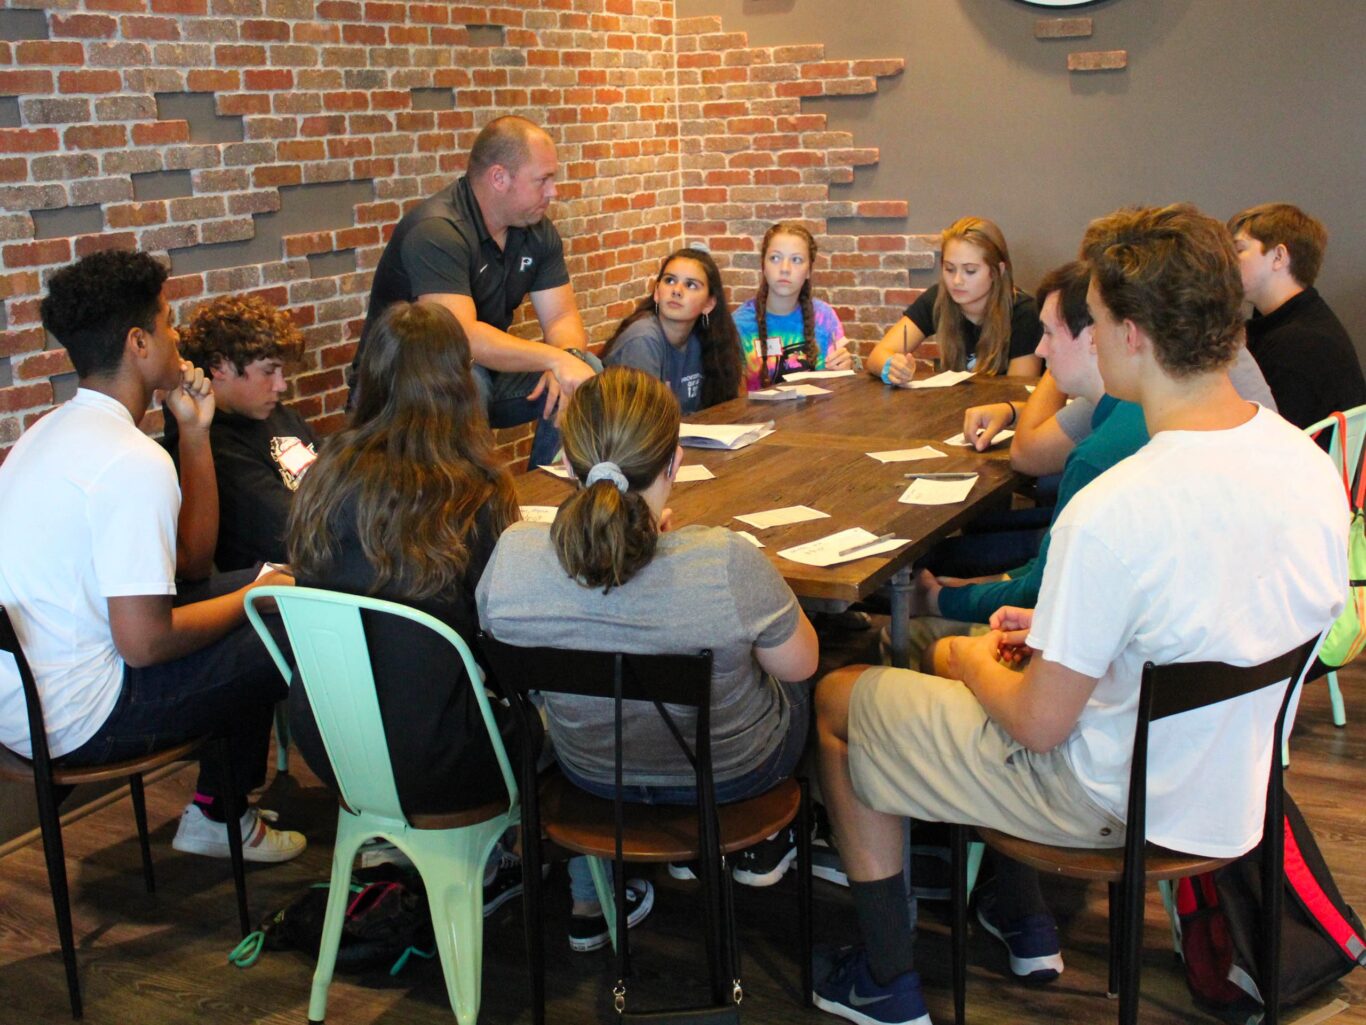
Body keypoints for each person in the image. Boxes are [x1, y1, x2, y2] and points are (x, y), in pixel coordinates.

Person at [811, 204, 1345, 1025]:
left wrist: (963, 657)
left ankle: (887, 975)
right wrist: (1058, 637)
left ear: (1132, 334)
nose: (1084, 343)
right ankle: (1009, 910)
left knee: (845, 697)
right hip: (1233, 782)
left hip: (1111, 796)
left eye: (1091, 322)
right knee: (996, 650)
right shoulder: (1305, 464)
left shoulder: (1118, 505)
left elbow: (1037, 723)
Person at [477, 367, 819, 946]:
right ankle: (773, 842)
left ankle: (596, 881)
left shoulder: (510, 559)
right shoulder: (725, 562)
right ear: (675, 462)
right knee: (812, 669)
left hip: (590, 775)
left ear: (565, 462)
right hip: (731, 778)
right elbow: (801, 666)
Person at [0, 250, 305, 863]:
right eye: (168, 325)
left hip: (20, 705)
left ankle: (220, 808)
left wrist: (194, 433)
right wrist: (256, 599)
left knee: (253, 585)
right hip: (81, 718)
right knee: (293, 621)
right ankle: (222, 816)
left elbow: (191, 566)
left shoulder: (47, 432)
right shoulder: (129, 461)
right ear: (138, 342)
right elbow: (143, 643)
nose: (177, 338)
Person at [287, 300, 534, 912]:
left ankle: (403, 847)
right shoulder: (474, 490)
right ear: (460, 382)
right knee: (556, 718)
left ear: (369, 375)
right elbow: (502, 641)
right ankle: (514, 869)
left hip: (331, 746)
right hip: (440, 762)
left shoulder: (323, 476)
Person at [904, 261, 1150, 671]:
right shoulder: (1139, 409)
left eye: (1050, 333)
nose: (1039, 348)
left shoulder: (1095, 456)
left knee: (897, 643)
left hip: (1086, 665)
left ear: (1095, 336)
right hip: (1118, 643)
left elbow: (1040, 590)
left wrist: (939, 599)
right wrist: (971, 587)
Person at [355, 115, 598, 467]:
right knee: (469, 379)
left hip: (479, 372)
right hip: (406, 384)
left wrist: (566, 357)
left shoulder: (536, 230)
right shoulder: (438, 229)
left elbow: (561, 316)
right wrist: (554, 358)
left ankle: (551, 502)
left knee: (583, 368)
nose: (553, 191)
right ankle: (471, 513)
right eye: (543, 180)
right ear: (499, 178)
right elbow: (462, 338)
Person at [166, 293, 317, 572]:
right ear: (219, 367)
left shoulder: (279, 415)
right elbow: (295, 535)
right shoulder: (217, 449)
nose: (281, 385)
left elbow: (338, 481)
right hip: (289, 595)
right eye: (269, 372)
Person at [1227, 202, 1364, 430]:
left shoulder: (1298, 344)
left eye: (1238, 250)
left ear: (1279, 257)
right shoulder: (1303, 322)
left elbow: (1267, 438)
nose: (1227, 261)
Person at [867, 216, 1042, 386]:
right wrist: (892, 367)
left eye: (970, 271)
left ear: (997, 271)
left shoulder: (1024, 313)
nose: (957, 280)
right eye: (949, 269)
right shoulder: (938, 299)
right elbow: (877, 356)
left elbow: (1019, 390)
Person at [602, 246, 743, 412]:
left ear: (709, 303)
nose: (676, 290)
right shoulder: (642, 340)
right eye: (669, 281)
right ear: (656, 293)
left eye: (690, 285)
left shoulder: (706, 340)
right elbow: (644, 427)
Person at [733, 222, 853, 389]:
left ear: (809, 271)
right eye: (775, 258)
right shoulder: (739, 323)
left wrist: (844, 366)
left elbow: (839, 385)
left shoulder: (824, 316)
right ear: (763, 266)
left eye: (796, 260)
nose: (785, 268)